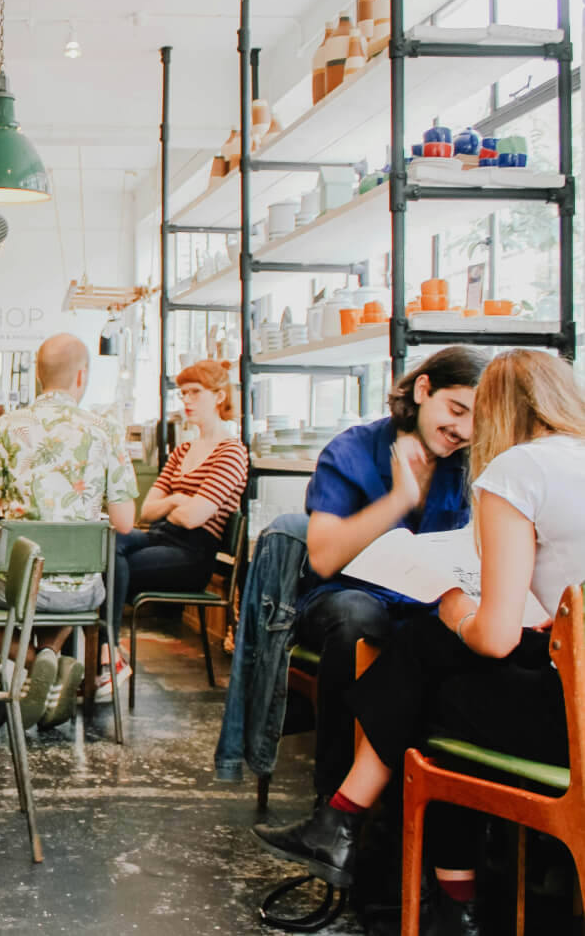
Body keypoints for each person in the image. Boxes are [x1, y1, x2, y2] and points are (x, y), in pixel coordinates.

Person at [253, 349, 585, 933]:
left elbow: (495, 637)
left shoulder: (517, 472)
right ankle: (381, 851)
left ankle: (377, 848)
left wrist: (459, 610)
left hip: (569, 724)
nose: (468, 431)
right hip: (566, 683)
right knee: (430, 655)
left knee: (438, 683)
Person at [295, 345, 488, 801]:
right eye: (456, 409)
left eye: (476, 420)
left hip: (431, 605)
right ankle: (334, 801)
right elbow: (323, 558)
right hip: (346, 600)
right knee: (360, 618)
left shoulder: (471, 462)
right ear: (423, 389)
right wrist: (399, 499)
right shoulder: (352, 450)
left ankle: (445, 820)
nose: (462, 429)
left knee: (468, 637)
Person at [0, 333, 138, 731]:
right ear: (81, 376)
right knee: (68, 588)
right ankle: (51, 661)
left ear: (38, 377)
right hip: (84, 589)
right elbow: (124, 522)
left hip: (17, 584)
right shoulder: (107, 430)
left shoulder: (8, 426)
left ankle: (36, 663)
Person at [106, 359, 248, 702]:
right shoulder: (182, 450)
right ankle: (105, 655)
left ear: (219, 396)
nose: (186, 400)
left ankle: (104, 654)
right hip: (159, 537)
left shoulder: (231, 452)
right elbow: (148, 509)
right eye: (183, 393)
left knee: (109, 562)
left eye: (195, 393)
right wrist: (178, 500)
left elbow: (195, 518)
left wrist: (174, 502)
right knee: (107, 541)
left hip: (192, 555)